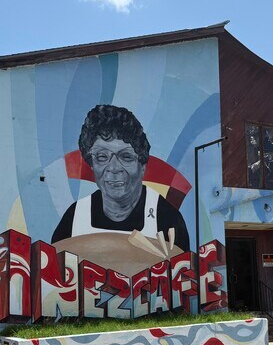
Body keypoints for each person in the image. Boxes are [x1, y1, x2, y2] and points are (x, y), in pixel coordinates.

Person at [52, 104, 190, 251]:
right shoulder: (74, 220)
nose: (114, 168)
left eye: (126, 156)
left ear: (142, 166)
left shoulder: (167, 221)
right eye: (102, 156)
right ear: (91, 164)